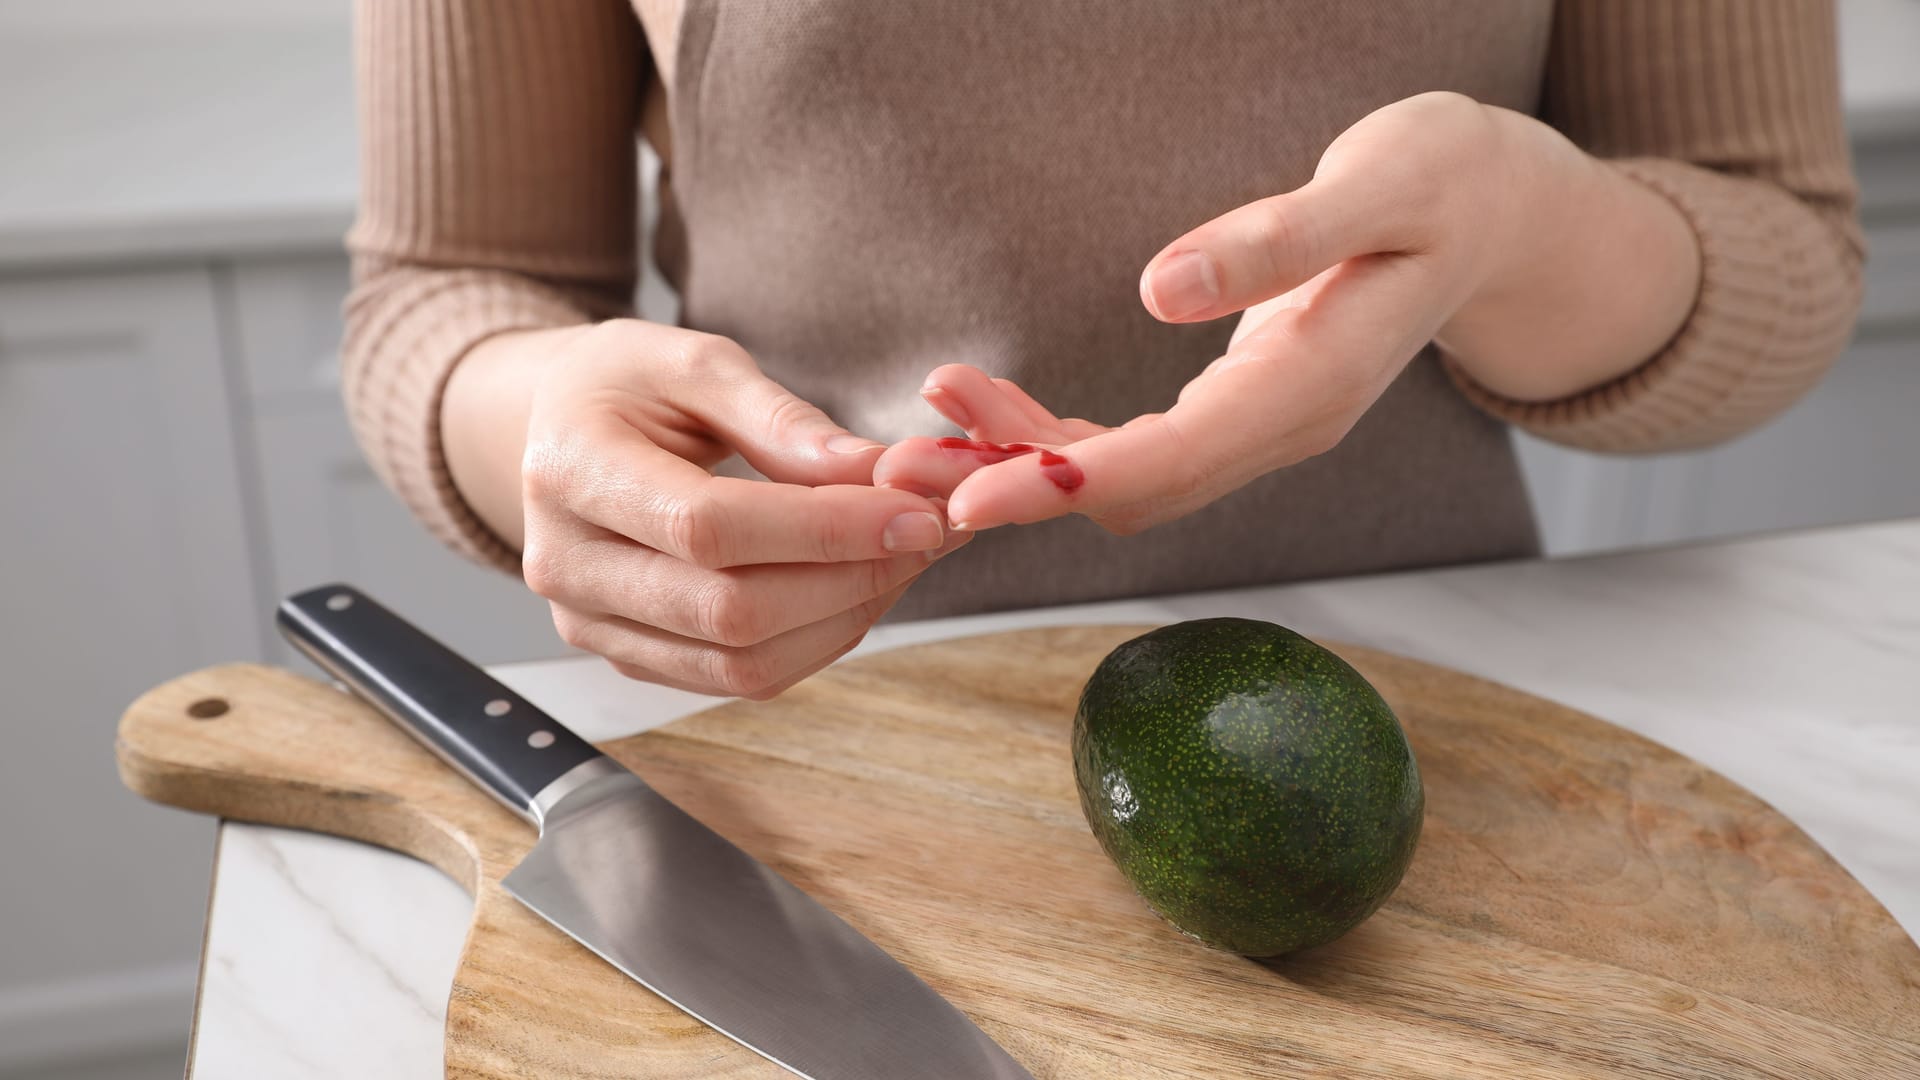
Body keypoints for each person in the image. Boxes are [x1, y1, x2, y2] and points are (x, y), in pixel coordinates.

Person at [342, 1, 1861, 699]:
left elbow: (1776, 233)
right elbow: (451, 283)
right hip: (816, 724)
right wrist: (545, 423)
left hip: (1429, 709)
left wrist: (1525, 228)